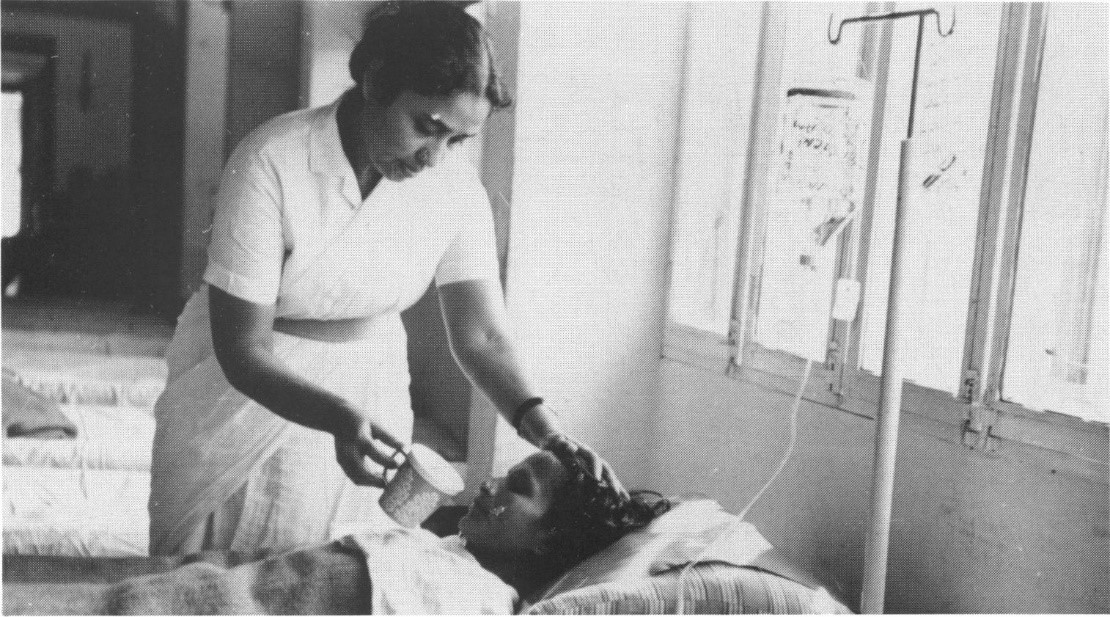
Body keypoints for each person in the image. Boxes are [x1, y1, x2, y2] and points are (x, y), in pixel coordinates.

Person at [148, 1, 622, 557]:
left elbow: (482, 337)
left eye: (458, 141)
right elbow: (244, 350)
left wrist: (551, 434)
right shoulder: (272, 160)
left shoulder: (456, 191)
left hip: (368, 383)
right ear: (376, 81)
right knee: (208, 570)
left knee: (337, 565)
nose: (434, 157)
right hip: (244, 393)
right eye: (427, 127)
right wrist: (337, 417)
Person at [5, 445, 668, 615]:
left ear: (547, 541)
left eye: (517, 487)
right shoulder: (451, 556)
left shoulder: (475, 602)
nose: (489, 483)